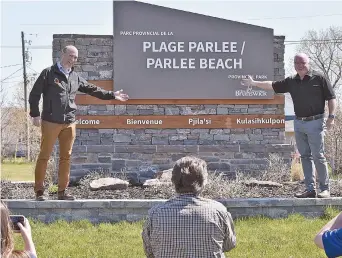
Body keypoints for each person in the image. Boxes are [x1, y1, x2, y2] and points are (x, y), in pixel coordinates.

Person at [29, 45, 129, 201]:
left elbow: (92, 89)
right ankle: (39, 192)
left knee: (66, 158)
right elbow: (34, 94)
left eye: (75, 57)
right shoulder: (48, 73)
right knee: (44, 156)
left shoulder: (75, 77)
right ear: (63, 54)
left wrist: (112, 95)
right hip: (50, 121)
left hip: (69, 123)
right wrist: (35, 114)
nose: (73, 59)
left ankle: (62, 192)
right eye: (70, 55)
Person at [241, 53, 336, 198]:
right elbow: (272, 85)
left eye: (302, 62)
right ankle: (310, 189)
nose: (299, 65)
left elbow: (331, 98)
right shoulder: (292, 81)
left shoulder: (319, 78)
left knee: (318, 156)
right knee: (305, 156)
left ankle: (325, 189)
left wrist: (331, 117)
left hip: (316, 122)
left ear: (308, 63)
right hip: (299, 123)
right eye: (297, 62)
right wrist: (254, 83)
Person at [141, 156, 236, 258]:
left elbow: (149, 251)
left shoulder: (155, 213)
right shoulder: (218, 211)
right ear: (203, 182)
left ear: (173, 181)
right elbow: (229, 245)